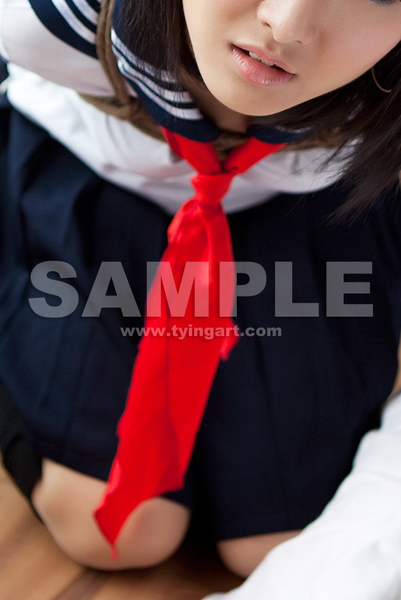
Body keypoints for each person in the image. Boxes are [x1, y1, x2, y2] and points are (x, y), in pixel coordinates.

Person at [0, 0, 401, 593]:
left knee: (278, 543)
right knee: (117, 528)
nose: (286, 24)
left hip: (315, 204)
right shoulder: (45, 20)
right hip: (100, 177)